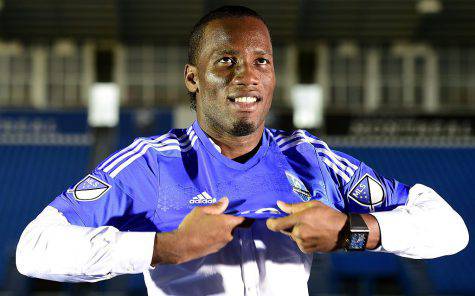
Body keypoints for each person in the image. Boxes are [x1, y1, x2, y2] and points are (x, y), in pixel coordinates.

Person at [17, 5, 468, 296]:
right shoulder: (151, 163)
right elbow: (35, 248)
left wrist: (352, 230)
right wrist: (164, 247)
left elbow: (450, 229)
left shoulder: (308, 157)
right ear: (194, 78)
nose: (247, 76)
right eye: (227, 61)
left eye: (261, 61)